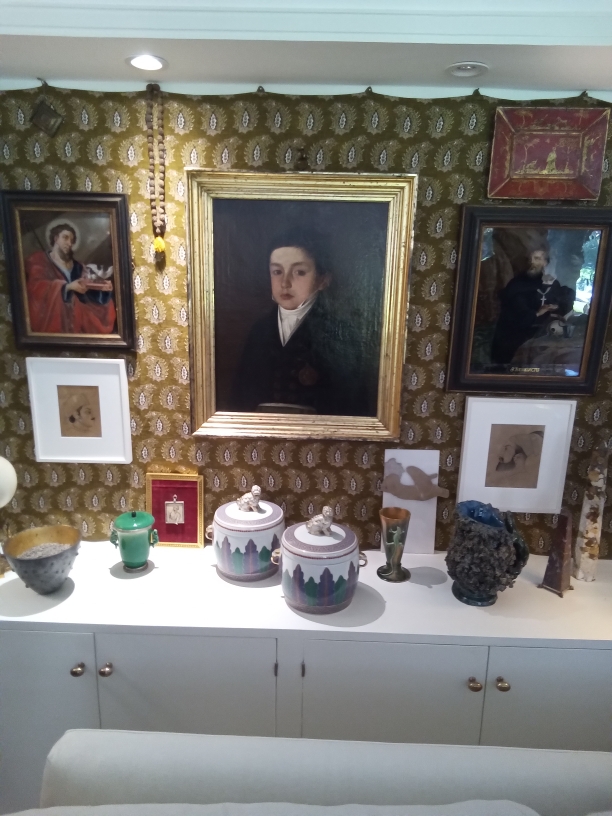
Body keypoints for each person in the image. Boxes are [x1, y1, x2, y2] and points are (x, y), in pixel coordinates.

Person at [232, 228, 375, 416]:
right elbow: (240, 399)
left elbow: (351, 407)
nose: (285, 283)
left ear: (323, 280)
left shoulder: (341, 334)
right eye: (277, 271)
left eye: (299, 272)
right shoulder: (259, 330)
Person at [25, 221, 116, 335]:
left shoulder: (78, 266)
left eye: (72, 240)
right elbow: (35, 288)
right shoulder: (39, 259)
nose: (69, 243)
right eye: (65, 238)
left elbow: (86, 294)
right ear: (56, 238)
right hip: (55, 320)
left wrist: (102, 289)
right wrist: (67, 287)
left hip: (77, 319)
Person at [490, 247, 575, 367]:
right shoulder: (517, 284)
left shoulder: (552, 284)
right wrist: (537, 313)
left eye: (537, 258)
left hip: (541, 336)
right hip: (514, 336)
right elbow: (514, 310)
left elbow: (563, 303)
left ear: (545, 263)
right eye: (530, 259)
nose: (532, 262)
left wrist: (556, 308)